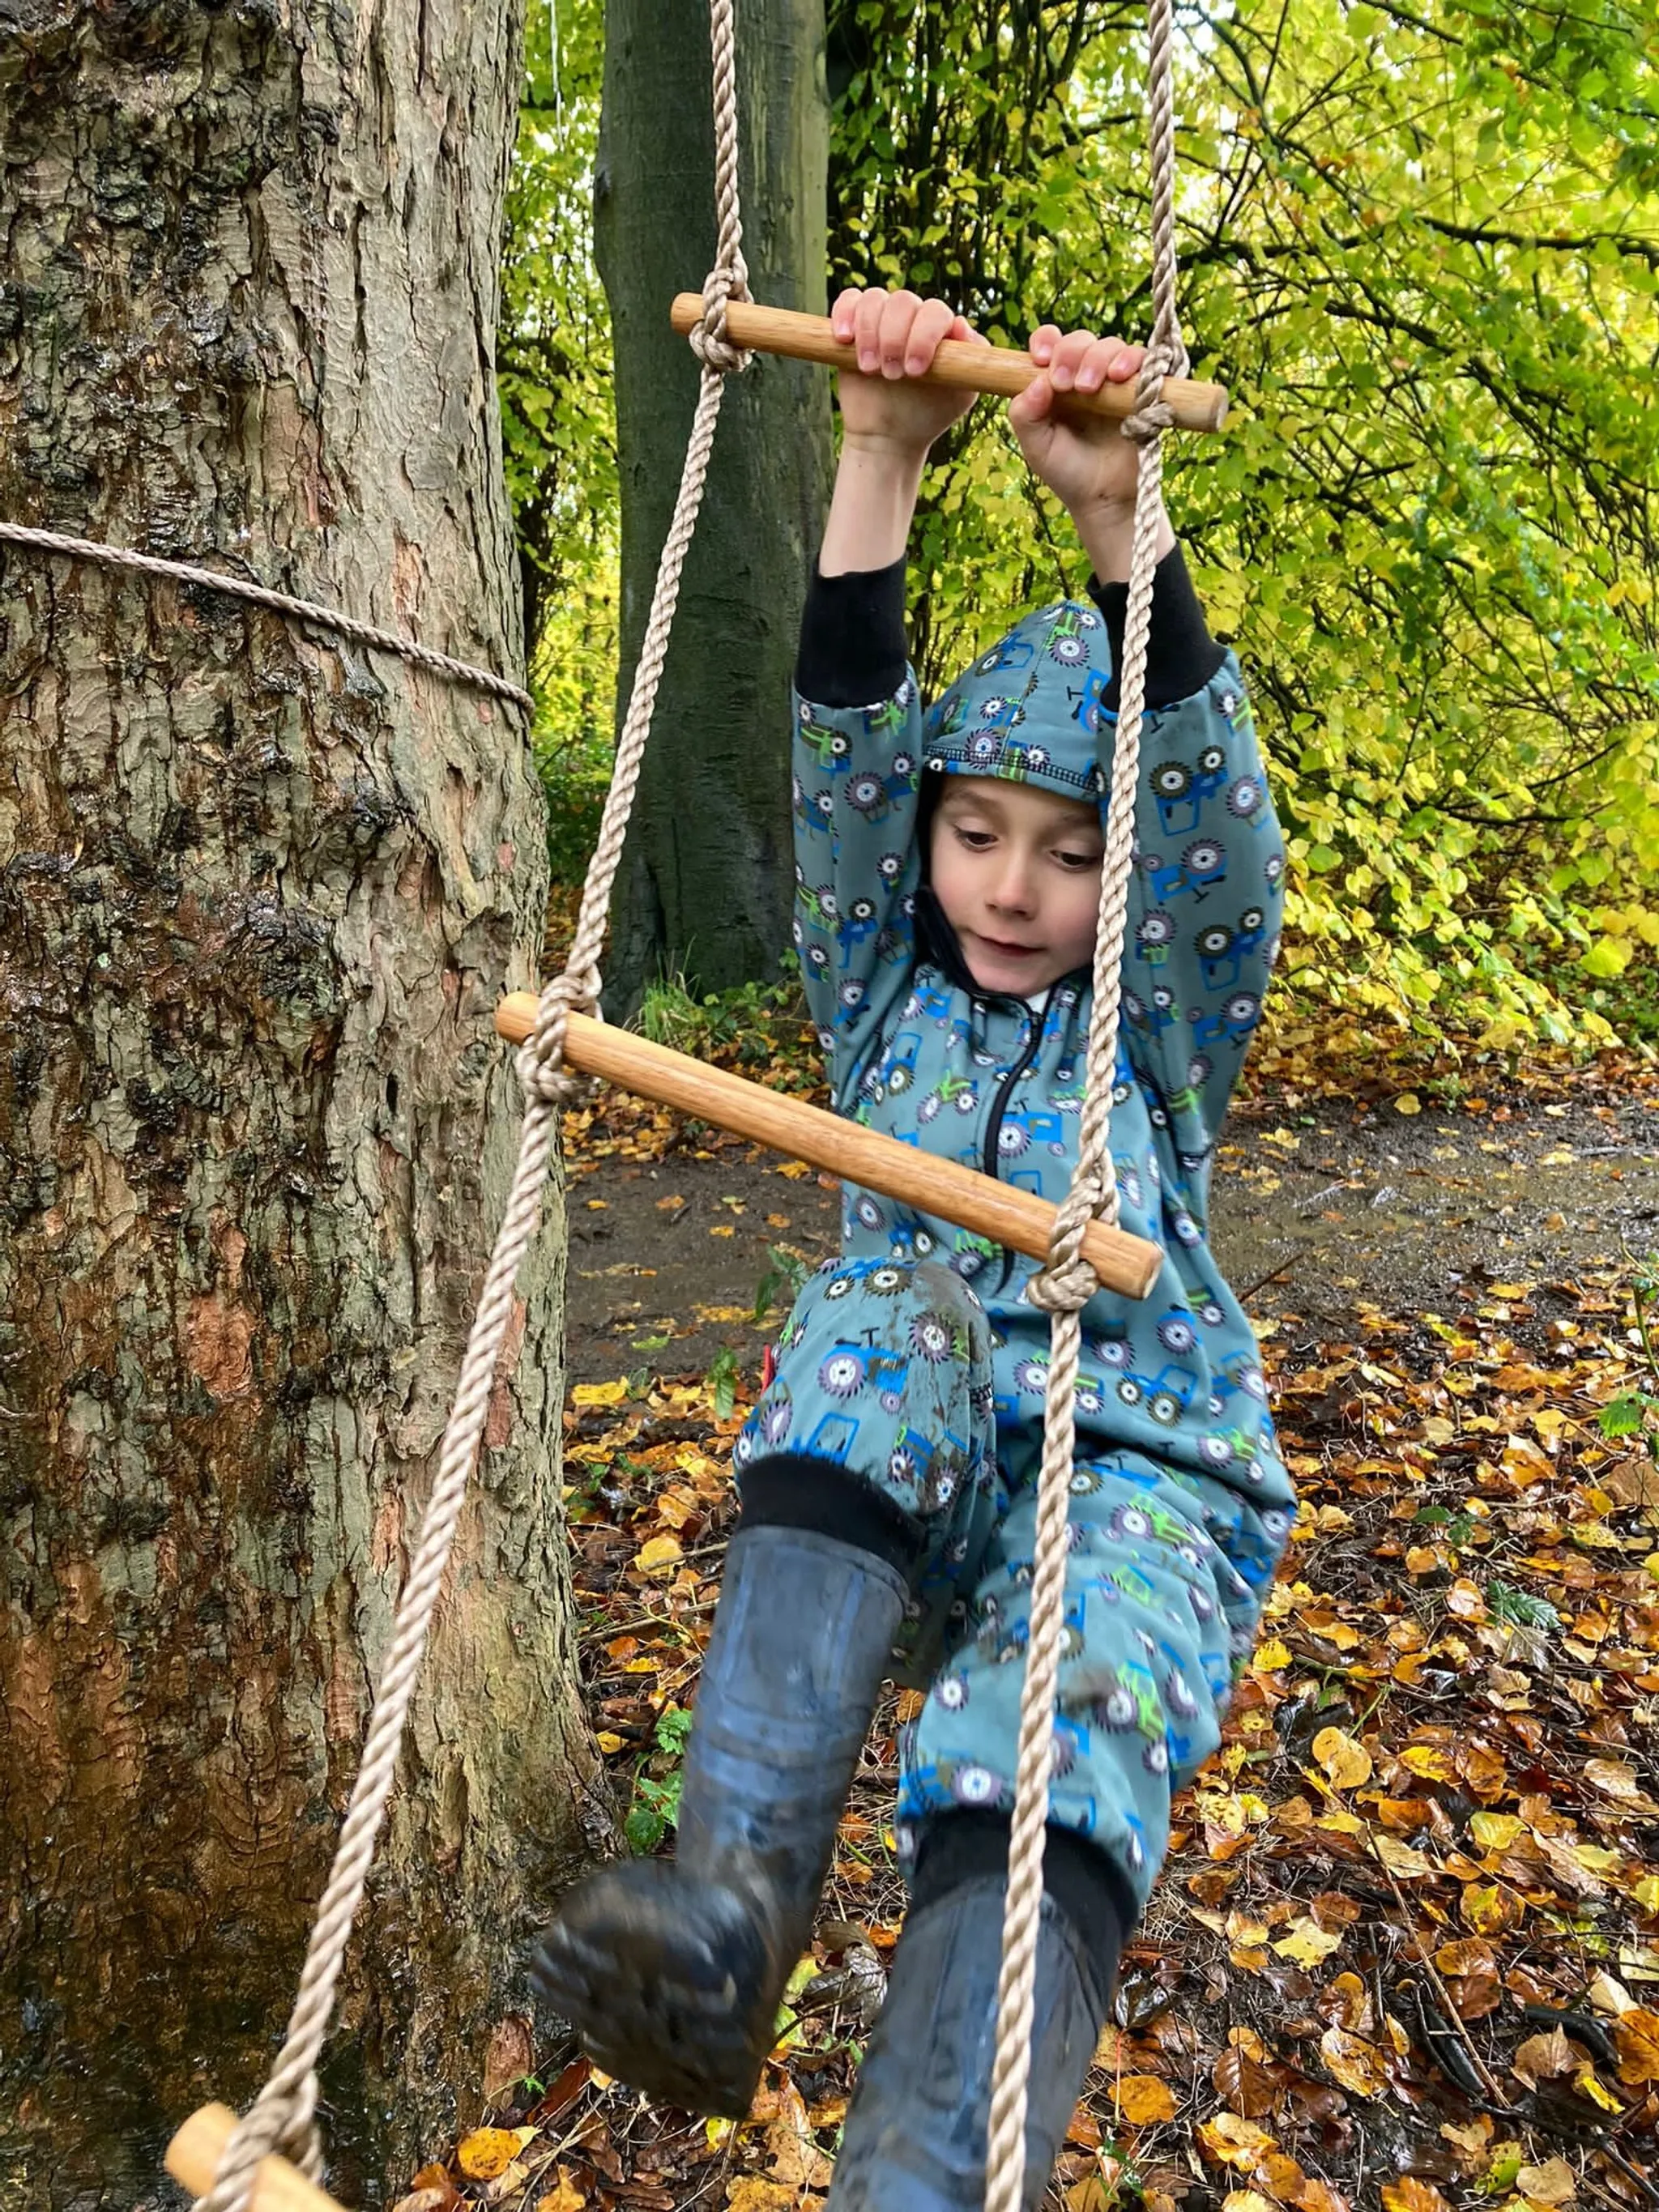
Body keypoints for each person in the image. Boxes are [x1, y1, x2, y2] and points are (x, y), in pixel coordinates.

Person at [533, 288, 1296, 2210]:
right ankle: (722, 1922)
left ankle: (928, 2176)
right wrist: (877, 452)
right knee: (876, 1304)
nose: (1012, 886)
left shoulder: (1155, 1020)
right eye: (977, 832)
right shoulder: (883, 999)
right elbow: (846, 751)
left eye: (1062, 847)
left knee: (1044, 1740)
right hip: (930, 1435)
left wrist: (1118, 518)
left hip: (1133, 1472)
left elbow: (1210, 825)